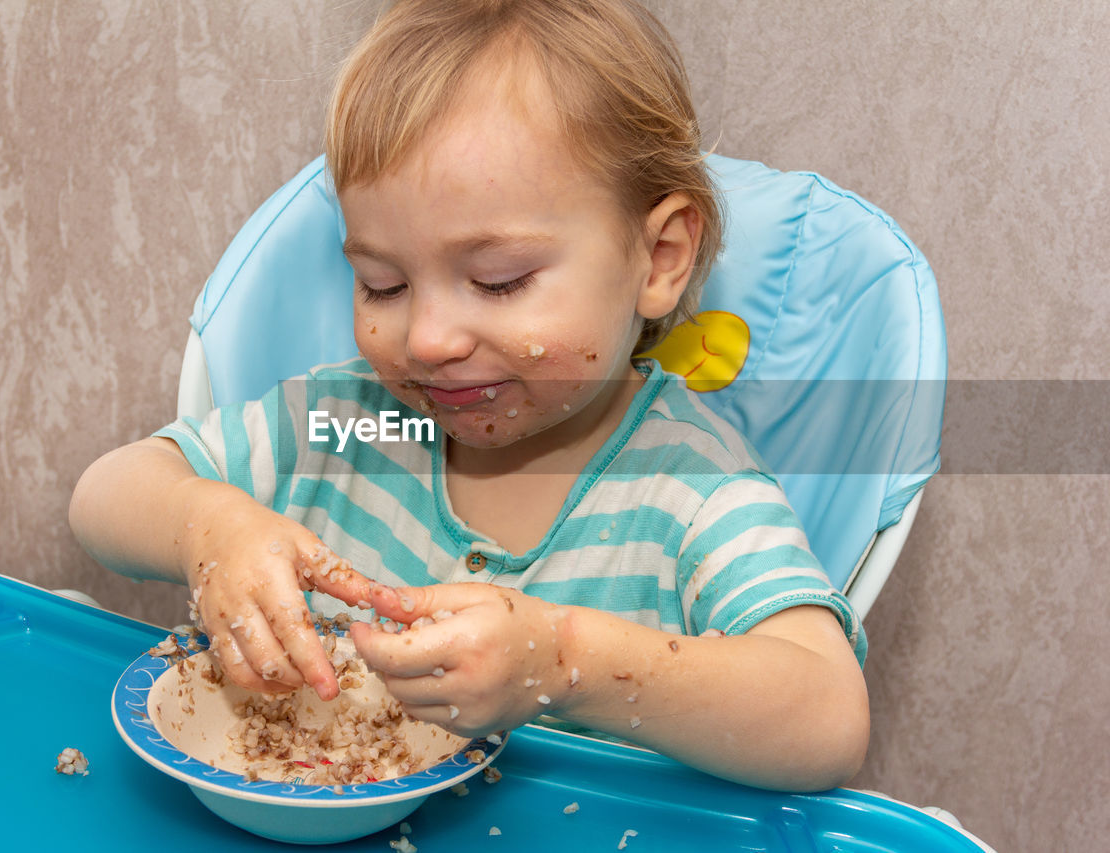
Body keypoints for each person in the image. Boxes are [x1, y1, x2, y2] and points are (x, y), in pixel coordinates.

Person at [69, 0, 868, 792]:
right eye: (383, 284)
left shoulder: (694, 491)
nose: (428, 340)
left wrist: (564, 662)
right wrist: (207, 525)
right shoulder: (342, 424)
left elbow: (829, 719)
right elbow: (103, 495)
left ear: (659, 258)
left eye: (498, 280)